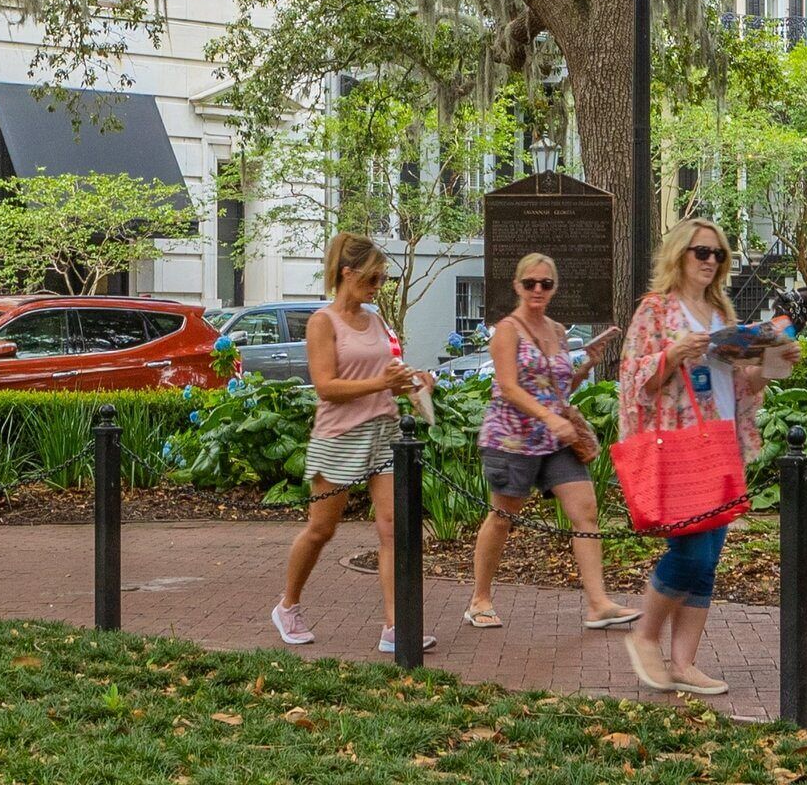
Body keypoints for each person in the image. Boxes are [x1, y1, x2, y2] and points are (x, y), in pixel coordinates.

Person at [617, 217, 783, 698]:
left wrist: (770, 366)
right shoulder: (655, 310)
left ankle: (684, 663)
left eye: (719, 254)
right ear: (679, 255)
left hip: (722, 442)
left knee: (708, 558)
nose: (711, 261)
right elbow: (632, 379)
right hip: (680, 445)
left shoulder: (720, 312)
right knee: (689, 551)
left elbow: (742, 385)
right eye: (702, 252)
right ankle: (644, 635)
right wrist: (672, 355)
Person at [272, 233, 434, 655]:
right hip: (339, 437)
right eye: (373, 278)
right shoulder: (323, 322)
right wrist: (382, 382)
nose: (378, 286)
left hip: (383, 432)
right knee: (321, 530)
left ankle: (396, 626)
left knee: (393, 528)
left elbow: (388, 378)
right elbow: (326, 387)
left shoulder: (376, 321)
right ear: (347, 273)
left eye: (382, 279)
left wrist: (413, 382)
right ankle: (288, 606)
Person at [465, 252, 636, 632]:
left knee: (585, 510)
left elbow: (557, 388)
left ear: (554, 287)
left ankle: (599, 604)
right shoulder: (507, 330)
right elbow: (508, 387)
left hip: (555, 439)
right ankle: (480, 599)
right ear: (517, 285)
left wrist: (587, 365)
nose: (537, 289)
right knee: (503, 516)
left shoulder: (557, 331)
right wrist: (549, 418)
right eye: (530, 283)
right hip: (512, 437)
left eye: (545, 283)